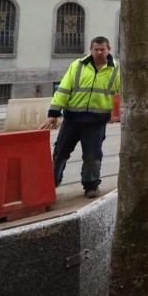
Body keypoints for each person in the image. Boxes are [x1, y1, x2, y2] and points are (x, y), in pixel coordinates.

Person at [41, 36, 120, 198]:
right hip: (72, 120)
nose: (99, 52)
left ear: (108, 50)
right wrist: (53, 114)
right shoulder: (77, 66)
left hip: (96, 123)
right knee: (60, 152)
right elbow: (63, 90)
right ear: (90, 49)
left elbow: (124, 92)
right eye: (96, 49)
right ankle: (50, 183)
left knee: (92, 156)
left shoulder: (116, 70)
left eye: (102, 49)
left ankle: (91, 185)